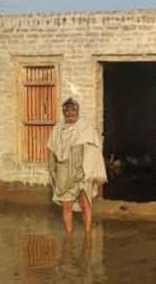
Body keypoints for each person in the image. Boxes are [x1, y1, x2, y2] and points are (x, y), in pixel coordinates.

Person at [47, 98, 107, 233]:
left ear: (77, 112)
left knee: (85, 203)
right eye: (67, 112)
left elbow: (94, 150)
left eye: (72, 111)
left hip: (80, 171)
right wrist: (52, 170)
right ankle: (68, 236)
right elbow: (51, 150)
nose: (70, 114)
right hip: (63, 172)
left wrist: (89, 171)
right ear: (63, 113)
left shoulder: (85, 127)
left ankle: (87, 235)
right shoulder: (57, 129)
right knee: (66, 205)